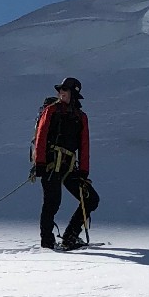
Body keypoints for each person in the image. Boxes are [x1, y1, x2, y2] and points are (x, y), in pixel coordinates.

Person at [31, 76, 99, 249]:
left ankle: (70, 236)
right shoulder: (51, 110)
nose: (61, 92)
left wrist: (84, 171)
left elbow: (84, 145)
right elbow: (41, 135)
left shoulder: (81, 117)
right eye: (60, 89)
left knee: (90, 199)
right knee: (52, 202)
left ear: (74, 94)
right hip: (50, 164)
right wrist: (39, 162)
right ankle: (47, 242)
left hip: (70, 167)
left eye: (65, 89)